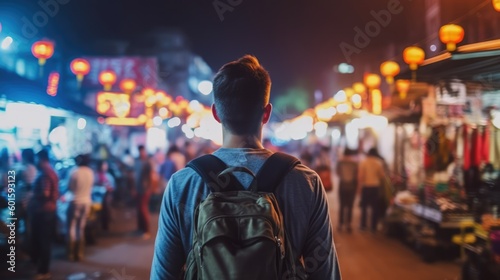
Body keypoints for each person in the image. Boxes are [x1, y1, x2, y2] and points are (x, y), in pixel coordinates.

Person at [151, 55, 341, 279]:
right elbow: (325, 274)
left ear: (215, 113)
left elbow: (163, 275)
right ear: (267, 113)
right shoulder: (305, 182)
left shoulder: (183, 184)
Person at [28, 149, 59, 280]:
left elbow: (45, 194)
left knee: (43, 242)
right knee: (44, 241)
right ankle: (42, 269)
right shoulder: (51, 172)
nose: (35, 161)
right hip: (49, 211)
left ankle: (43, 271)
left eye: (37, 159)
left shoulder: (45, 173)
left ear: (42, 159)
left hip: (43, 211)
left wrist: (33, 195)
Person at [66, 154, 94, 261]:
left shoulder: (74, 172)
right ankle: (80, 253)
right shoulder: (90, 172)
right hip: (86, 202)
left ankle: (71, 253)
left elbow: (70, 187)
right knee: (80, 228)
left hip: (75, 202)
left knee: (71, 228)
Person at [358, 147, 386, 232]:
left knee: (364, 207)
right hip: (375, 187)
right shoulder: (379, 162)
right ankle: (373, 227)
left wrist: (359, 188)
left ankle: (363, 226)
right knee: (375, 207)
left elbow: (361, 176)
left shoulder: (364, 162)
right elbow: (382, 176)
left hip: (366, 186)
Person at [134, 145, 158, 239]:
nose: (142, 153)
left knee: (143, 208)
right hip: (138, 188)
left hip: (145, 189)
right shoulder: (137, 162)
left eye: (143, 151)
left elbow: (151, 176)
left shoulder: (147, 163)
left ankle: (146, 231)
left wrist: (150, 188)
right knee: (139, 208)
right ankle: (140, 228)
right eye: (140, 151)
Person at [336, 148, 359, 232]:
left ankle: (340, 224)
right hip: (352, 186)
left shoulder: (340, 161)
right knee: (350, 205)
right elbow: (357, 175)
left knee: (342, 205)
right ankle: (348, 224)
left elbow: (337, 173)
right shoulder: (355, 163)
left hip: (342, 185)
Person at [95, 160, 115, 231]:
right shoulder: (96, 175)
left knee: (106, 211)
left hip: (106, 197)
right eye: (104, 165)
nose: (105, 167)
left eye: (106, 165)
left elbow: (113, 187)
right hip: (97, 198)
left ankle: (105, 226)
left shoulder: (109, 176)